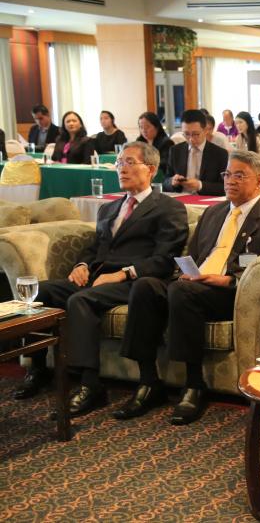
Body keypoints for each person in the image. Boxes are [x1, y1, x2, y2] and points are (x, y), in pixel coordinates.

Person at [115, 149, 260, 424]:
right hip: (194, 284)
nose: (230, 181)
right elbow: (194, 255)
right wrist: (186, 273)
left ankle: (193, 384)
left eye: (240, 176)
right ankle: (148, 380)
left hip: (233, 291)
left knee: (182, 291)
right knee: (145, 287)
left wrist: (229, 279)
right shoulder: (213, 213)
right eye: (227, 174)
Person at [14, 141, 189, 413]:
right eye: (119, 163)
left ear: (151, 169)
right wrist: (82, 264)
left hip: (135, 282)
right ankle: (37, 368)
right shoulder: (109, 208)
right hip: (97, 278)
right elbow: (96, 246)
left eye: (130, 162)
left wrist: (122, 274)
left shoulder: (169, 208)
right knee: (41, 292)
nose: (122, 169)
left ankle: (91, 384)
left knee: (81, 300)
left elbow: (165, 258)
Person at [163, 109, 228, 196]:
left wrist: (200, 185)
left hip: (206, 200)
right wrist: (172, 182)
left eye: (196, 134)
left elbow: (224, 187)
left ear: (205, 130)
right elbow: (165, 182)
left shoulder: (220, 154)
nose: (191, 139)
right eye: (186, 134)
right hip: (180, 198)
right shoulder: (175, 151)